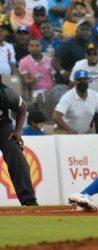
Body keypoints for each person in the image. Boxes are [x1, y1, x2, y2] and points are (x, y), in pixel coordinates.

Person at [0, 77, 38, 205]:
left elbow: (22, 108)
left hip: (2, 126)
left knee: (16, 154)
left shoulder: (5, 93)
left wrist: (17, 131)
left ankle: (29, 200)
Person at [52, 69, 98, 134]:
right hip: (65, 130)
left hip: (85, 131)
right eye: (79, 80)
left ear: (89, 81)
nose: (82, 82)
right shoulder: (67, 97)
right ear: (74, 82)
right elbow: (56, 116)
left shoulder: (95, 95)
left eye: (85, 79)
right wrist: (68, 129)